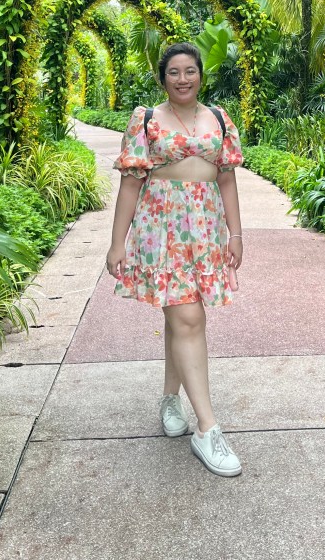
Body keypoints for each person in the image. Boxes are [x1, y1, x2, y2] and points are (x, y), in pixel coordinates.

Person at [105, 42, 244, 477]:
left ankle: (170, 399)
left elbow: (226, 178)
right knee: (188, 319)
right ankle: (207, 428)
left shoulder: (218, 117)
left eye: (190, 71)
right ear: (162, 78)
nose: (183, 79)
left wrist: (236, 234)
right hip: (160, 228)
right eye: (174, 72)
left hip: (204, 230)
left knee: (180, 318)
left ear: (201, 74)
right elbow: (131, 184)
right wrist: (117, 243)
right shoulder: (146, 119)